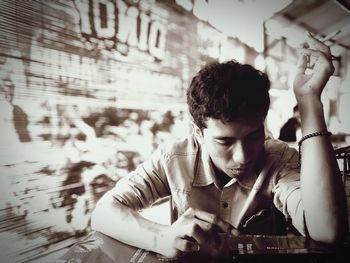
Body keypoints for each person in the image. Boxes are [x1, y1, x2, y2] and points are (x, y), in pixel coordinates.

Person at [91, 33, 348, 258]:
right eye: (224, 141)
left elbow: (327, 231)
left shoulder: (279, 158)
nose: (243, 156)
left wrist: (309, 100)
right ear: (198, 133)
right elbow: (103, 212)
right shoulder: (173, 157)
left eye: (254, 136)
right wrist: (160, 238)